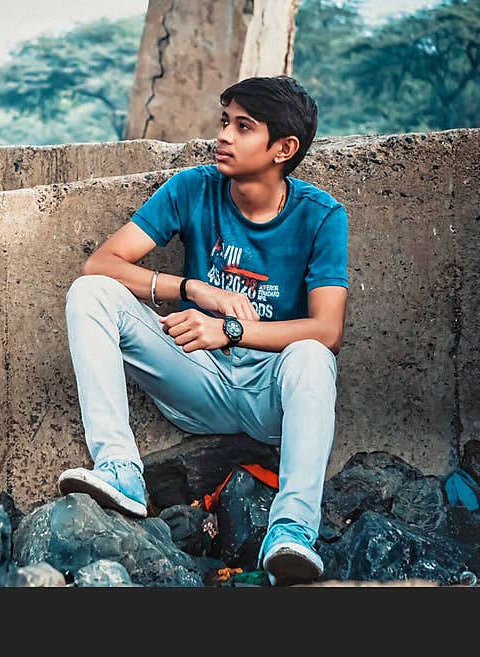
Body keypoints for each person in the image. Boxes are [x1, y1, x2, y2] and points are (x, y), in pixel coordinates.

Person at [57, 75, 348, 586]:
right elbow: (100, 264)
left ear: (284, 148)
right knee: (90, 293)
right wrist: (192, 287)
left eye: (243, 126)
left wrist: (229, 331)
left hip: (270, 396)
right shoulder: (193, 188)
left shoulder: (321, 215)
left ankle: (292, 531)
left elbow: (327, 331)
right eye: (224, 122)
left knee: (312, 357)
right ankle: (120, 470)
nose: (224, 137)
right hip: (197, 378)